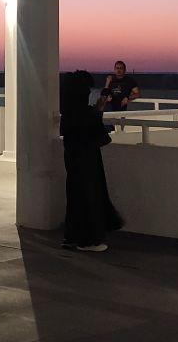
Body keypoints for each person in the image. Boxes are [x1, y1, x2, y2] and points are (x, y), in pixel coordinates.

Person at [60, 69, 123, 252]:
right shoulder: (81, 112)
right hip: (86, 157)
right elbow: (93, 128)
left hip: (73, 156)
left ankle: (72, 237)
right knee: (89, 196)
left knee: (75, 195)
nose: (88, 92)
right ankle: (87, 240)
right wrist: (99, 108)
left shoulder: (69, 110)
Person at [101, 60, 140, 131]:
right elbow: (104, 94)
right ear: (114, 69)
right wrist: (107, 82)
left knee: (119, 130)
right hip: (110, 108)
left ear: (124, 70)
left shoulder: (129, 81)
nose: (118, 70)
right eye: (117, 68)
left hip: (121, 109)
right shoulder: (111, 80)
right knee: (108, 129)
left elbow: (137, 94)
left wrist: (128, 98)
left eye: (120, 68)